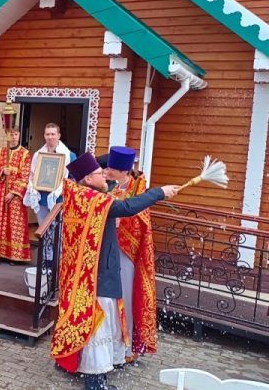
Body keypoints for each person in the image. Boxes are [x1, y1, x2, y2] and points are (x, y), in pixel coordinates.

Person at [50, 153, 179, 390]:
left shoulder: (77, 194)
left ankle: (92, 375)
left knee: (94, 325)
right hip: (97, 275)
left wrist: (126, 165)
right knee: (98, 327)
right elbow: (127, 207)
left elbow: (108, 186)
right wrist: (159, 193)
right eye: (100, 173)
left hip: (86, 273)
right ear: (88, 179)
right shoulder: (93, 200)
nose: (105, 176)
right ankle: (95, 383)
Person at [104, 146, 157, 363]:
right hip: (109, 250)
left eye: (111, 169)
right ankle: (109, 345)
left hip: (128, 252)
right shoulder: (111, 187)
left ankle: (126, 348)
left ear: (123, 171)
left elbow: (141, 220)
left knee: (126, 297)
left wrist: (121, 222)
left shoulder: (140, 189)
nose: (106, 171)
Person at [0, 128, 32, 263]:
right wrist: (1, 171)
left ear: (19, 135)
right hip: (0, 192)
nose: (13, 137)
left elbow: (26, 175)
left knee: (15, 222)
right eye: (11, 134)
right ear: (6, 135)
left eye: (16, 134)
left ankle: (15, 255)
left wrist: (13, 193)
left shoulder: (25, 154)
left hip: (16, 196)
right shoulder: (0, 152)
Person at [24, 123, 76, 226]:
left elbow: (74, 179)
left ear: (59, 136)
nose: (50, 137)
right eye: (47, 134)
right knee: (43, 229)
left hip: (58, 199)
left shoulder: (69, 155)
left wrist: (63, 190)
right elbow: (32, 175)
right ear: (44, 136)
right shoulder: (38, 155)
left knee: (57, 230)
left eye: (53, 134)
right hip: (41, 198)